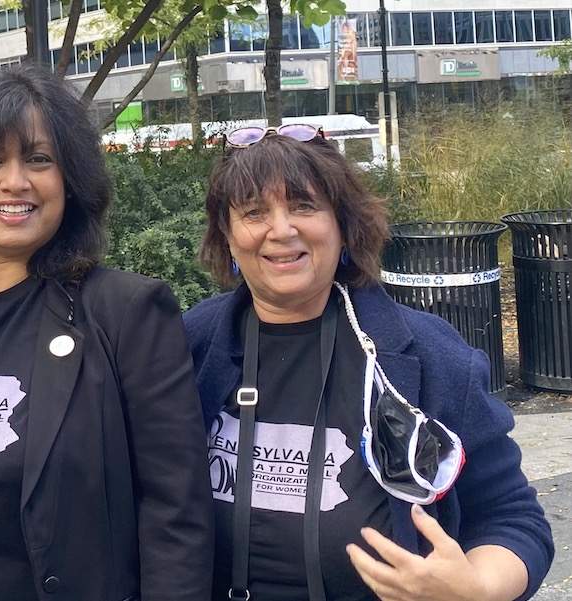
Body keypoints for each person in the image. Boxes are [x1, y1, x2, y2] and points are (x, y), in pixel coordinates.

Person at [183, 124, 554, 601]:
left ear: (343, 225)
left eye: (303, 206)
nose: (281, 230)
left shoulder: (427, 353)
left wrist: (476, 588)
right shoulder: (190, 345)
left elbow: (511, 519)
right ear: (228, 237)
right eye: (254, 212)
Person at [0, 66, 213, 601]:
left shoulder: (125, 311)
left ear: (71, 179)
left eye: (39, 159)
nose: (14, 182)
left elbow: (175, 510)